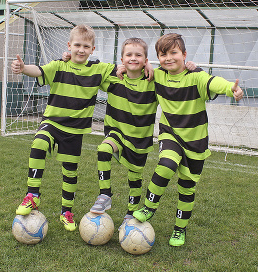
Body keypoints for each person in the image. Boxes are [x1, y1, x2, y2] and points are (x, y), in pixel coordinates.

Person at [65, 38, 197, 228]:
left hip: (140, 139)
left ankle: (130, 214)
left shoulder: (154, 80)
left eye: (138, 55)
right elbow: (88, 68)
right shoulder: (113, 76)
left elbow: (177, 74)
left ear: (145, 59)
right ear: (121, 59)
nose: (133, 58)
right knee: (103, 150)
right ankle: (105, 194)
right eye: (129, 55)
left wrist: (192, 66)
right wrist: (68, 57)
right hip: (116, 132)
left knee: (135, 180)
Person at [132, 33, 244, 247]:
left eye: (173, 53)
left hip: (196, 142)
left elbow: (214, 82)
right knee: (166, 164)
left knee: (187, 188)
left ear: (184, 55)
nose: (168, 58)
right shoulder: (157, 75)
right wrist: (134, 67)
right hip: (170, 133)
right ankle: (149, 206)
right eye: (162, 54)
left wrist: (232, 88)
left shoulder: (196, 77)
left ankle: (179, 229)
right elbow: (132, 69)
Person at [11, 25, 116, 231]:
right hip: (53, 122)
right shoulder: (60, 65)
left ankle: (66, 211)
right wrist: (23, 68)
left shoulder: (98, 70)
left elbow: (122, 71)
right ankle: (32, 195)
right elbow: (39, 71)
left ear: (92, 49)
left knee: (70, 172)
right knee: (39, 143)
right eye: (77, 45)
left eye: (86, 46)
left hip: (75, 131)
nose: (81, 49)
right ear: (69, 45)